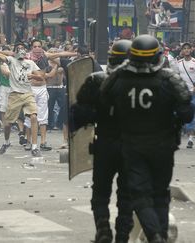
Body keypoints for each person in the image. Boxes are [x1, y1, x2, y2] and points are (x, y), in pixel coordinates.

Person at [102, 35, 194, 243]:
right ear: (158, 57)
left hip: (132, 145)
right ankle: (159, 234)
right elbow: (187, 112)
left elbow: (104, 102)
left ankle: (155, 235)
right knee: (161, 194)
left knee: (140, 195)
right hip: (163, 145)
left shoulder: (119, 78)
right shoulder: (168, 79)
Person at [71, 40, 134, 243]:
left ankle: (103, 230)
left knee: (100, 193)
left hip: (105, 144)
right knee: (127, 195)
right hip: (132, 147)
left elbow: (78, 114)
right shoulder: (143, 84)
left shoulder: (96, 80)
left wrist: (97, 114)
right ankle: (122, 236)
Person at [0, 39, 44, 157]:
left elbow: (42, 76)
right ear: (14, 52)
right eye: (18, 49)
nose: (21, 51)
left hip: (28, 94)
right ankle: (6, 142)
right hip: (14, 94)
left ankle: (35, 147)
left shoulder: (30, 63)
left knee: (34, 117)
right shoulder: (11, 61)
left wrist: (34, 75)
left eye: (23, 49)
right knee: (8, 124)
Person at [177, 42, 195, 148]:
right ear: (182, 50)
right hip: (182, 93)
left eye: (188, 48)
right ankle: (187, 132)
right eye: (185, 48)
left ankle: (190, 139)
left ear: (191, 50)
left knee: (192, 115)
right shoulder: (178, 63)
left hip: (194, 93)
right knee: (181, 114)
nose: (186, 50)